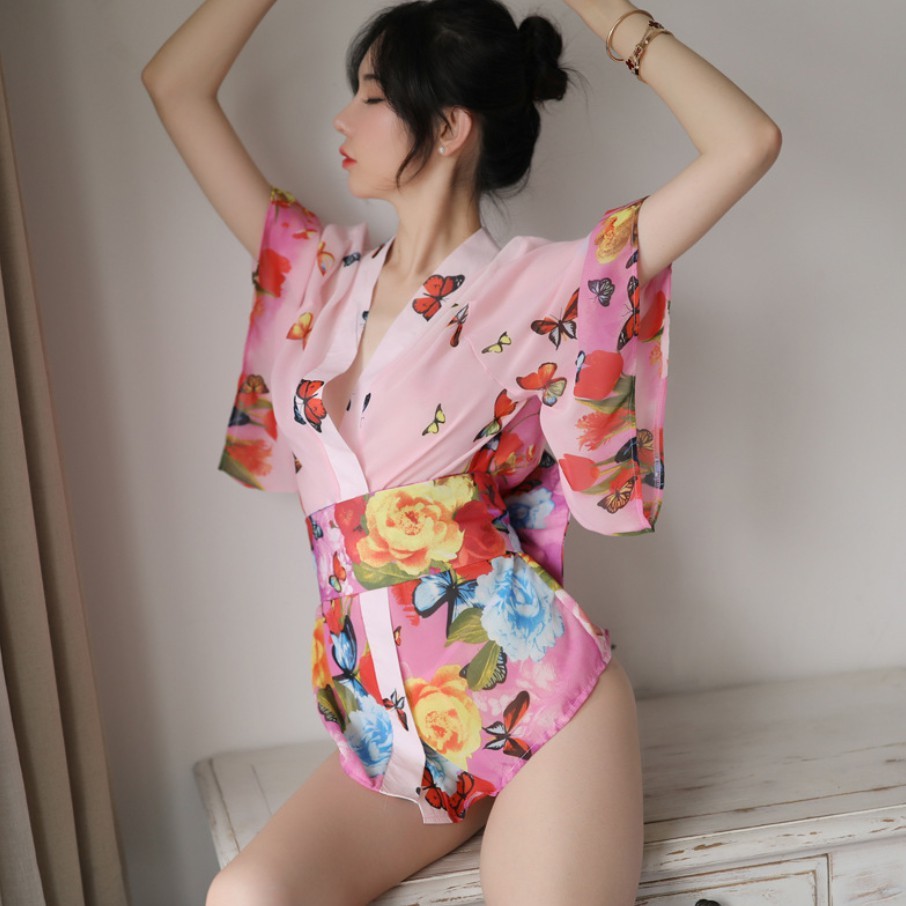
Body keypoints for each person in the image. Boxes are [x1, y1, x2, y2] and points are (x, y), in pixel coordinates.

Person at [142, 0, 780, 902]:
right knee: (245, 896)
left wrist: (604, 11)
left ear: (447, 127)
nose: (341, 120)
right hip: (388, 729)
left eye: (371, 96)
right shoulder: (318, 274)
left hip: (537, 704)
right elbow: (173, 86)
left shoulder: (542, 284)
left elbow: (747, 141)